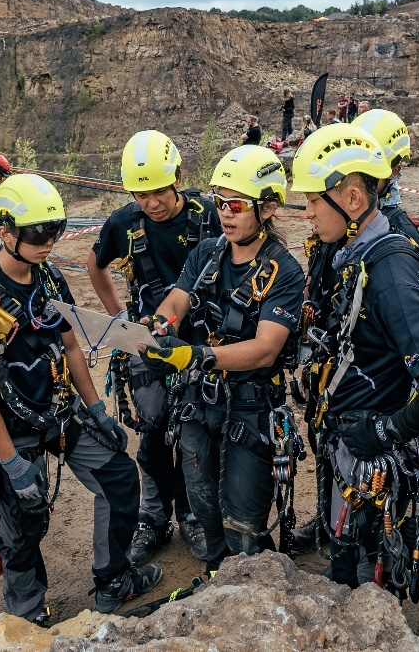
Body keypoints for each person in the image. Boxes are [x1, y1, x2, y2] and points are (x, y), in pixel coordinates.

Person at [0, 174, 159, 623]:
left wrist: (96, 409)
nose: (49, 242)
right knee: (22, 523)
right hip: (11, 425)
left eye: (55, 231)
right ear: (4, 232)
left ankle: (112, 580)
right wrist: (9, 462)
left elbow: (71, 347)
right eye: (39, 233)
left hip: (60, 413)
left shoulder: (49, 278)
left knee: (120, 480)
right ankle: (26, 613)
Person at [290, 124, 419, 594]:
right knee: (344, 559)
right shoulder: (352, 251)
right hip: (349, 437)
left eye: (312, 201)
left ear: (352, 199)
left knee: (365, 578)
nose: (306, 213)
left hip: (371, 450)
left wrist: (381, 432)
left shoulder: (390, 271)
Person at [140, 145, 304, 573]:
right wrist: (159, 326)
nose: (225, 214)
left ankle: (248, 586)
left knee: (243, 524)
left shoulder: (284, 271)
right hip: (200, 403)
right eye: (219, 203)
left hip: (250, 408)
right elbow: (177, 299)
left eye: (235, 204)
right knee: (205, 509)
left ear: (267, 208)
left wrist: (195, 355)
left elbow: (267, 346)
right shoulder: (208, 253)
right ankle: (216, 581)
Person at [86, 130, 220, 564]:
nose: (153, 203)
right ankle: (153, 517)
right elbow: (96, 263)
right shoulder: (124, 223)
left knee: (199, 432)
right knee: (153, 430)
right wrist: (117, 319)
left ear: (178, 177)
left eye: (160, 191)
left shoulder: (208, 215)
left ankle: (196, 517)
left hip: (201, 342)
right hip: (148, 345)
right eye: (142, 194)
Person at [352, 109, 419, 250]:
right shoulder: (337, 219)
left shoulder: (401, 234)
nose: (354, 180)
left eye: (369, 170)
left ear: (393, 171)